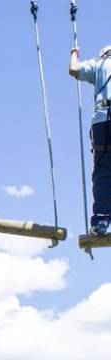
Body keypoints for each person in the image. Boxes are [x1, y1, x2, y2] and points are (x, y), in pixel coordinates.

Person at [70, 45, 111, 235]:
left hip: (102, 121)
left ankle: (101, 220)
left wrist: (74, 54)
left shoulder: (98, 63)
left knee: (103, 170)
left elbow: (74, 69)